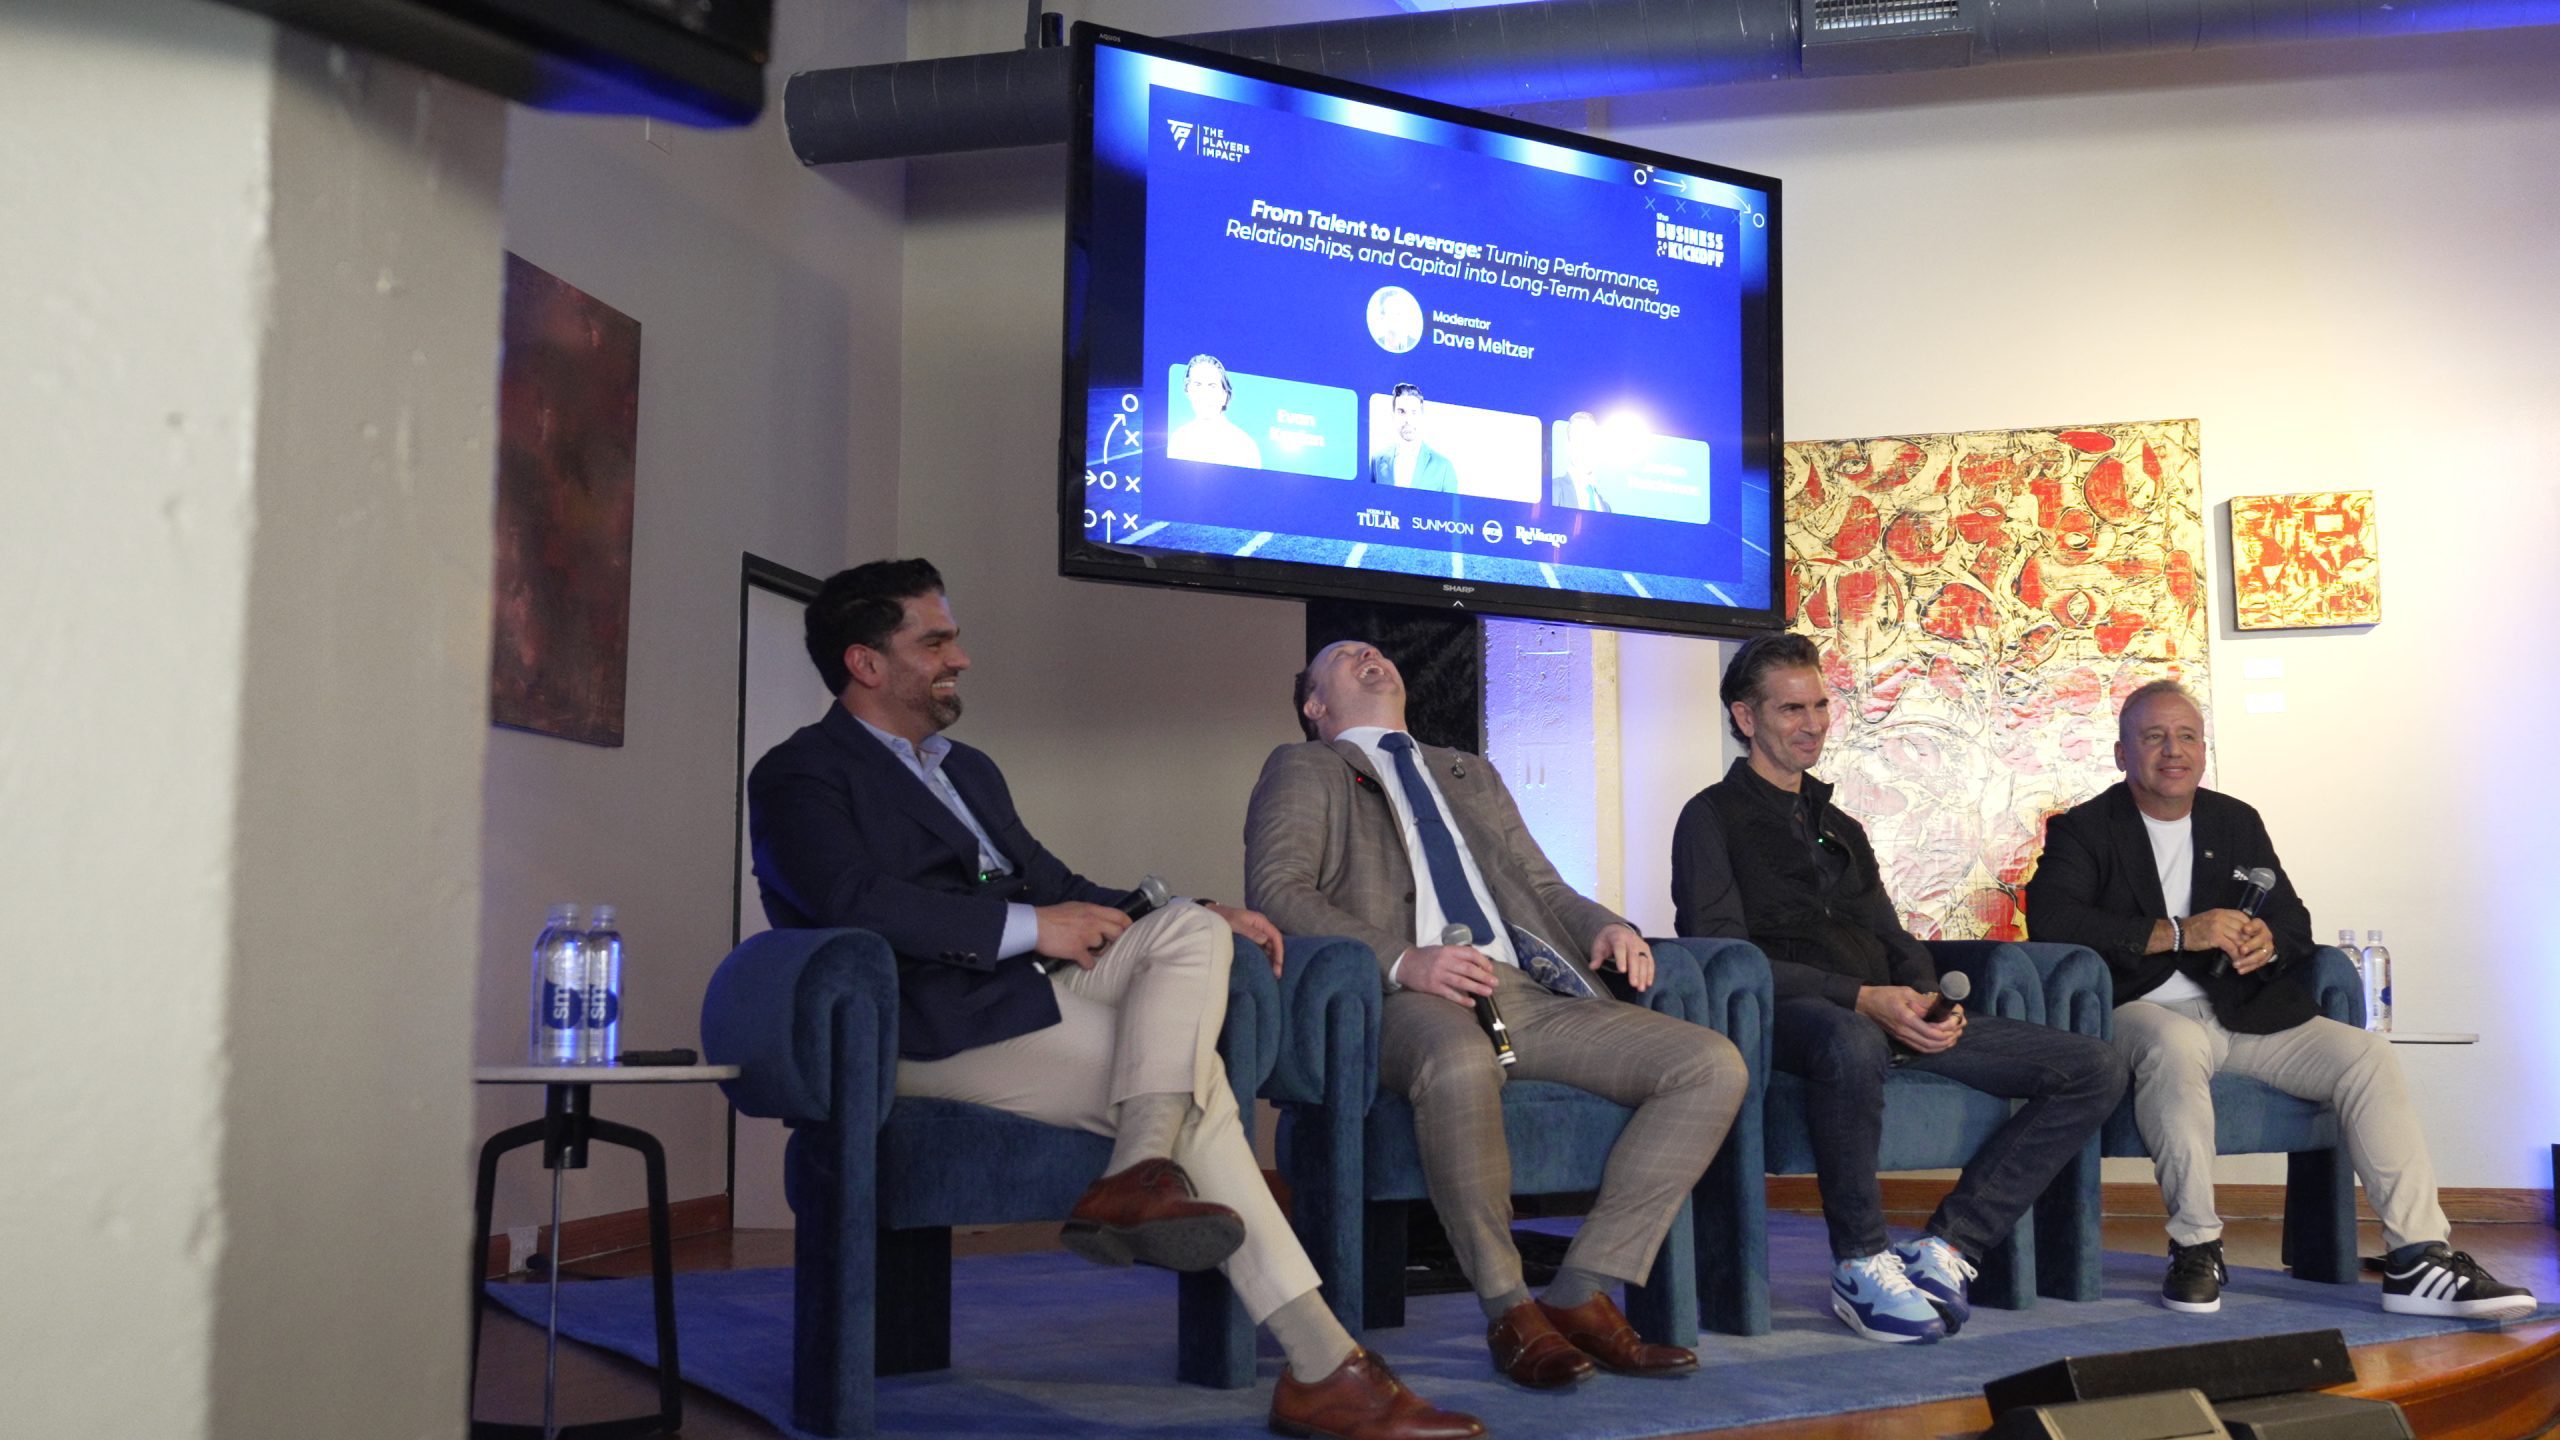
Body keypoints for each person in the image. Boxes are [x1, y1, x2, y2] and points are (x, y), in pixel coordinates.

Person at [751, 561, 1479, 1440]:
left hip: (1028, 989)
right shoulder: (800, 773)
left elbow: (1059, 884)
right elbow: (850, 900)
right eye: (935, 642)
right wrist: (1033, 927)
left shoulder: (966, 769)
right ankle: (1324, 1364)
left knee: (1193, 934)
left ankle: (1141, 1173)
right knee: (1199, 1097)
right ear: (866, 663)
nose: (961, 659)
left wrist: (1201, 908)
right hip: (928, 1019)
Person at [1245, 639, 1749, 1391]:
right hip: (1403, 998)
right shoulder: (1305, 767)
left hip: (1522, 993)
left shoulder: (1468, 771)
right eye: (1343, 657)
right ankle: (1510, 1309)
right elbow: (1279, 891)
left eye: (1373, 650)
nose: (1367, 655)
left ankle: (1580, 1292)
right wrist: (1405, 959)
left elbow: (1542, 885)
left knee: (1709, 1064)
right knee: (1458, 1059)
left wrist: (1607, 926)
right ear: (1314, 705)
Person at [2022, 679, 2536, 1320]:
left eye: (2187, 736)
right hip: (2141, 1011)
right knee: (2175, 1044)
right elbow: (2054, 921)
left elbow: (2294, 920)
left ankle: (2418, 1260)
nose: (2173, 750)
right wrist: (2179, 932)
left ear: (2203, 750)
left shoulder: (2234, 821)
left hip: (2243, 1012)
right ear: (2123, 753)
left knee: (2366, 1056)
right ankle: (2197, 1247)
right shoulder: (2085, 829)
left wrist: (2269, 940)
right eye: (2154, 737)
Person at [1669, 633, 2124, 1344]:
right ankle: (1860, 1263)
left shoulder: (1840, 826)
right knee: (1851, 1039)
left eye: (1821, 705)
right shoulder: (1710, 817)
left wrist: (1922, 997)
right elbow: (1721, 952)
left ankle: (1949, 1245)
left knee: (2095, 1067)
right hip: (1785, 1019)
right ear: (1745, 717)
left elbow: (1892, 934)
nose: (1814, 723)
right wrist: (1860, 999)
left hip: (1883, 1013)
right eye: (1791, 709)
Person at [1166, 354, 1263, 469]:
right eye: (1198, 385)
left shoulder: (1245, 446)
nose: (1204, 393)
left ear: (1224, 396)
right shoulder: (1178, 440)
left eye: (1212, 386)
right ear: (1188, 391)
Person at [1366, 384, 1458, 492]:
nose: (1408, 420)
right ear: (1393, 415)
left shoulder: (1444, 466)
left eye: (1413, 412)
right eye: (1401, 411)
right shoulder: (1376, 461)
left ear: (1421, 415)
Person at [1549, 411, 1613, 512]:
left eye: (1592, 439)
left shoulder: (1605, 507)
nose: (1587, 446)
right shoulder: (1553, 490)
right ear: (1569, 446)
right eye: (1580, 439)